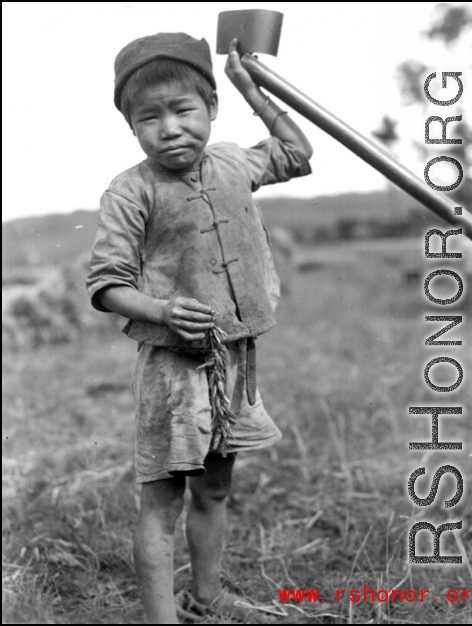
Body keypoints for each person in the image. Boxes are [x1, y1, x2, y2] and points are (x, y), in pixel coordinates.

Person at [86, 31, 313, 624]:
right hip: (173, 369)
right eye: (148, 118)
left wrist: (253, 89)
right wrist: (160, 309)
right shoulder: (129, 192)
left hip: (235, 360)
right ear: (132, 127)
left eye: (184, 110)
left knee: (214, 490)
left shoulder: (235, 160)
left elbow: (297, 152)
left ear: (212, 107)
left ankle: (207, 602)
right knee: (162, 500)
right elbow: (106, 284)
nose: (169, 128)